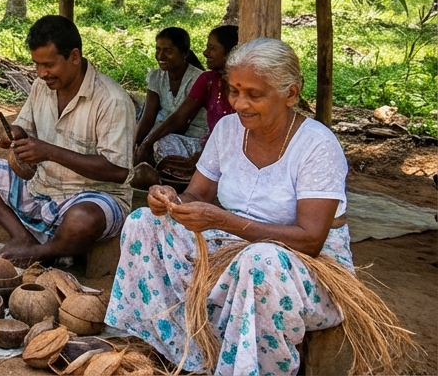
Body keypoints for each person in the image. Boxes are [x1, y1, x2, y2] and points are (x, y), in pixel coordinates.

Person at [106, 38, 351, 376]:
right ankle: (181, 351)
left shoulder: (317, 146)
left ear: (290, 94)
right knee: (143, 222)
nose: (240, 104)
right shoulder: (227, 130)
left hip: (304, 270)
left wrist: (224, 220)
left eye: (255, 94)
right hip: (235, 248)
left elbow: (310, 240)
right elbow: (197, 195)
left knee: (259, 261)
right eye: (235, 91)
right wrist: (170, 200)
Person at [0, 15, 135, 264]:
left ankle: (42, 252)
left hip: (92, 196)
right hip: (41, 187)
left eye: (48, 65)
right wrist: (12, 134)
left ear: (75, 57)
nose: (41, 73)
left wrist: (49, 152)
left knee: (83, 219)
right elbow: (23, 127)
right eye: (36, 65)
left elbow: (118, 171)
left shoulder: (112, 99)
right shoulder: (42, 86)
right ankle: (22, 237)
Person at [129, 24, 239, 189]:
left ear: (231, 53)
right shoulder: (208, 80)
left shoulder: (242, 82)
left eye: (212, 48)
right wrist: (143, 144)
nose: (205, 53)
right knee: (163, 142)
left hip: (238, 152)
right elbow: (179, 118)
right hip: (210, 147)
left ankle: (180, 180)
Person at [133, 27, 207, 163]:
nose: (160, 56)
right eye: (158, 49)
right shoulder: (156, 77)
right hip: (164, 133)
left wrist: (148, 143)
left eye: (168, 51)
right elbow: (148, 118)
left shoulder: (199, 79)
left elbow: (180, 122)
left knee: (161, 144)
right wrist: (134, 144)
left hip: (191, 138)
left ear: (185, 53)